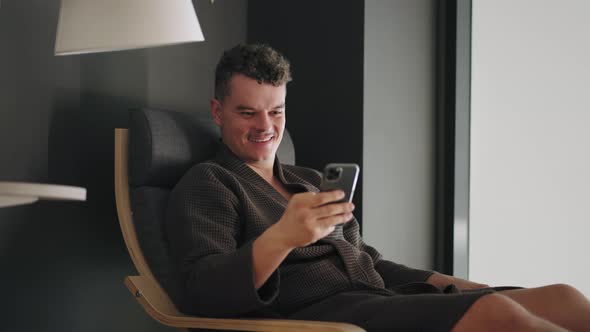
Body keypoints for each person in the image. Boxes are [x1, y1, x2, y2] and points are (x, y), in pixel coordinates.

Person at [166, 43, 590, 331]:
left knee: (563, 299)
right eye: (248, 113)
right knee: (499, 316)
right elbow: (203, 291)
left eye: (276, 111)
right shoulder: (210, 183)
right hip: (321, 316)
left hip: (377, 295)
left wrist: (460, 285)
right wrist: (281, 238)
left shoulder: (308, 182)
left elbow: (367, 261)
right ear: (218, 112)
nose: (266, 127)